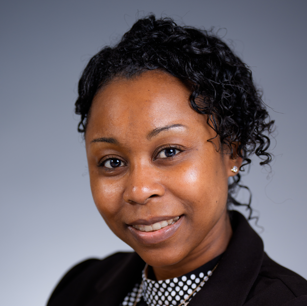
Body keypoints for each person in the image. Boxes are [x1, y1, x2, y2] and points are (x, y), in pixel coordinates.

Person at [47, 15, 307, 306]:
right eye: (113, 162)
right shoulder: (79, 289)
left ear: (232, 151)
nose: (139, 190)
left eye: (169, 151)